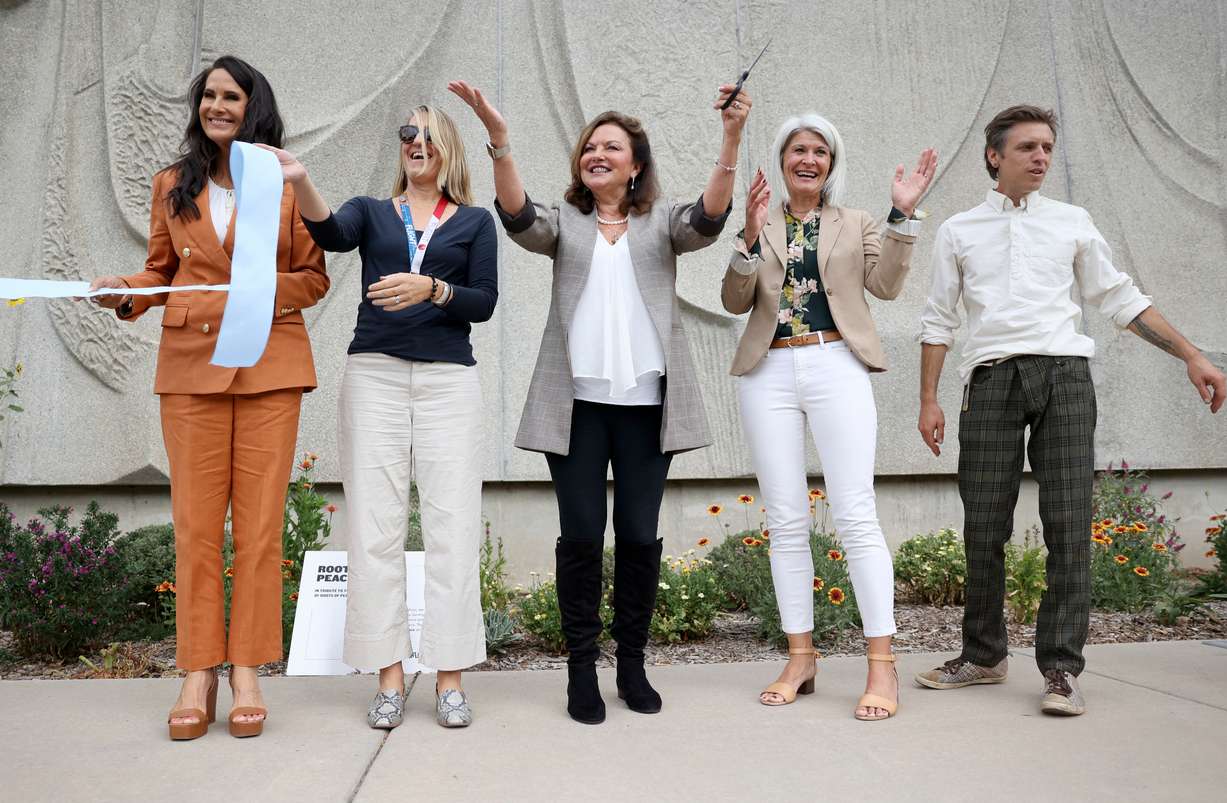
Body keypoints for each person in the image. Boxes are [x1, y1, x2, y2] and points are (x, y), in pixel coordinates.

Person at [448, 79, 749, 724]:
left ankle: (632, 666)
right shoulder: (567, 225)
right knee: (581, 537)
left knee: (639, 537)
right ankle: (580, 672)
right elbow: (520, 216)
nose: (597, 153)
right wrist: (500, 140)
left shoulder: (660, 225)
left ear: (635, 164)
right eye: (590, 146)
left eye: (612, 146)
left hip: (648, 411)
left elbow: (709, 218)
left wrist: (730, 137)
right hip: (576, 411)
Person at [915, 104, 1226, 716]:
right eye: (1028, 147)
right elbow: (937, 320)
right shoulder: (958, 230)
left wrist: (1192, 354)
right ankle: (982, 655)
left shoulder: (1072, 222)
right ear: (994, 156)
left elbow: (1120, 297)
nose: (1041, 158)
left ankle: (1061, 668)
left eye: (1048, 148)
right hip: (992, 380)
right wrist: (928, 399)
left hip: (1064, 379)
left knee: (1068, 525)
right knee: (983, 523)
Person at [87, 55, 330, 740]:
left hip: (269, 369)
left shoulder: (283, 182)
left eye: (231, 95)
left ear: (255, 106)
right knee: (196, 529)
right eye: (208, 95)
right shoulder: (173, 183)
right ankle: (197, 670)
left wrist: (256, 293)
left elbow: (315, 278)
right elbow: (161, 271)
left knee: (257, 530)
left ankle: (246, 669)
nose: (217, 105)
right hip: (191, 369)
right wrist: (127, 290)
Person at [263, 104, 497, 729]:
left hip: (450, 383)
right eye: (406, 135)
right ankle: (389, 678)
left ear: (447, 147)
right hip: (375, 378)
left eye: (426, 134)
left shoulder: (474, 221)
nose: (415, 143)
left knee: (453, 527)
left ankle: (449, 679)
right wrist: (300, 177)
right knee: (374, 526)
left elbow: (485, 302)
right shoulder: (371, 210)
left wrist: (433, 290)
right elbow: (331, 235)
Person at [721, 114, 936, 719]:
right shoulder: (760, 221)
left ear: (831, 163)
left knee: (855, 513)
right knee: (786, 519)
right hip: (768, 371)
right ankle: (800, 656)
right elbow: (734, 300)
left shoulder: (858, 222)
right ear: (783, 158)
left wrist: (903, 218)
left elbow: (886, 286)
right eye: (798, 150)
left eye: (820, 151)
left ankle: (882, 665)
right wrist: (746, 237)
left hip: (836, 363)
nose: (808, 159)